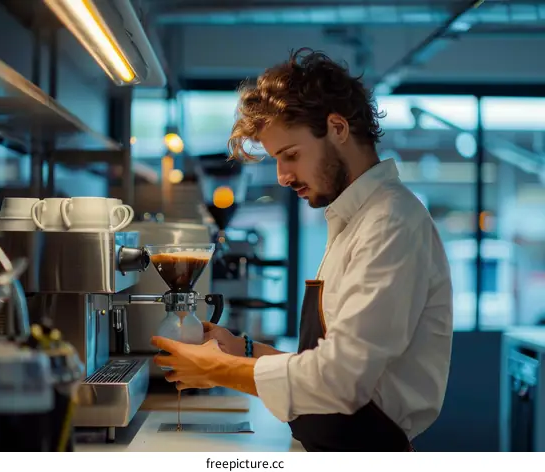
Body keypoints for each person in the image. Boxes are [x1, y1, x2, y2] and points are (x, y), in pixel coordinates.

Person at [151, 48, 453, 452]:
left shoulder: (390, 223)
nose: (281, 176)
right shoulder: (354, 221)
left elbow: (341, 381)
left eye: (290, 155)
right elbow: (323, 361)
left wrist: (220, 369)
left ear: (338, 127)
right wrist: (239, 349)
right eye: (277, 159)